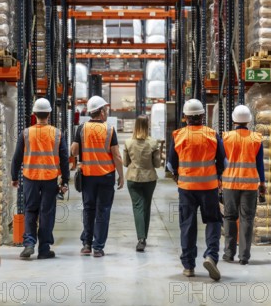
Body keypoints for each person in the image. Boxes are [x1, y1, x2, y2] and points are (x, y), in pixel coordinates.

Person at [167, 99, 225, 280]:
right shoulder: (212, 135)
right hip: (209, 187)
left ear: (185, 117)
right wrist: (217, 176)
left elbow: (170, 164)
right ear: (202, 116)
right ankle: (211, 256)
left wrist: (178, 175)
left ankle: (188, 266)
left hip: (186, 188)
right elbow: (224, 162)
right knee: (213, 222)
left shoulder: (178, 135)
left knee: (188, 225)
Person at [11, 98, 69, 260]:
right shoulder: (57, 133)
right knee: (47, 212)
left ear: (34, 114)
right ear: (49, 114)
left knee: (30, 209)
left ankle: (29, 243)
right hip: (50, 178)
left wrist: (14, 177)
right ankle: (44, 249)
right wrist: (65, 180)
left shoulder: (26, 133)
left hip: (30, 177)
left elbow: (17, 157)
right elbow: (64, 158)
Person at [71, 95, 124, 257]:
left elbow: (73, 151)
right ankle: (98, 247)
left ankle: (87, 244)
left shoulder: (81, 128)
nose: (107, 112)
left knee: (89, 209)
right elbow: (116, 155)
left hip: (88, 176)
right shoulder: (109, 129)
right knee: (103, 210)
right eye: (106, 110)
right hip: (106, 176)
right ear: (100, 112)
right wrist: (121, 175)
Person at [222, 104, 266, 265]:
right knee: (247, 219)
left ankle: (228, 254)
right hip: (249, 185)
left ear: (234, 119)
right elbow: (260, 164)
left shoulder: (226, 137)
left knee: (229, 217)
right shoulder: (256, 138)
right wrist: (263, 183)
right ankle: (244, 257)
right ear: (249, 121)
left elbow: (222, 161)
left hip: (230, 184)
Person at [123, 115, 161, 252]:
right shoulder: (153, 143)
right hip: (149, 179)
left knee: (137, 207)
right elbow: (157, 164)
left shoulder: (128, 142)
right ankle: (144, 237)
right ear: (147, 125)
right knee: (146, 206)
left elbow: (125, 163)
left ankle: (141, 238)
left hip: (133, 178)